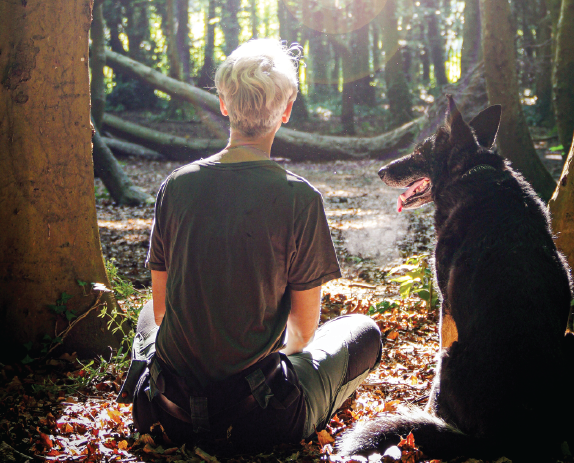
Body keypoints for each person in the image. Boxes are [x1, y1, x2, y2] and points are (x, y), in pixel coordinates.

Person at [120, 39, 382, 451]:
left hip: (165, 413)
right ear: (287, 109)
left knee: (145, 318)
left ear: (224, 104)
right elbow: (301, 334)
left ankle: (142, 384)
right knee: (363, 331)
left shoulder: (177, 185)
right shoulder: (300, 199)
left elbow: (161, 309)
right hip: (260, 420)